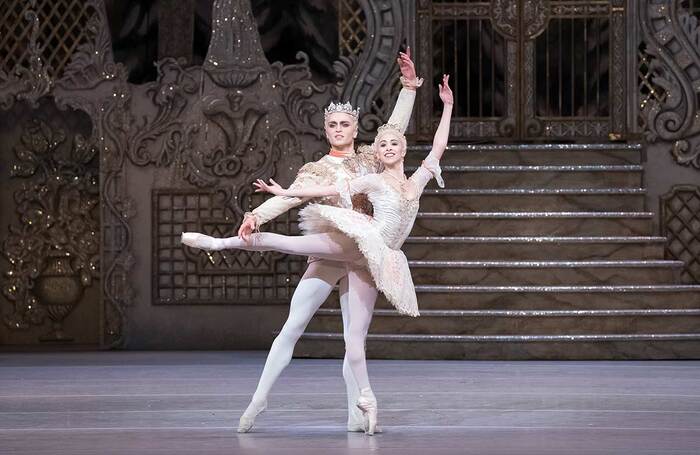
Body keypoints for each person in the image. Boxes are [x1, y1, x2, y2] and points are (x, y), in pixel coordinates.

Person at [182, 75, 454, 435]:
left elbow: (395, 132)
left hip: (364, 253)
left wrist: (409, 88)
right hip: (329, 251)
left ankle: (356, 414)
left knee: (353, 339)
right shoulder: (316, 170)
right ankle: (259, 399)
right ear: (326, 131)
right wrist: (257, 215)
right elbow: (290, 196)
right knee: (294, 325)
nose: (339, 129)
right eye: (333, 125)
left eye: (345, 124)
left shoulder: (369, 161)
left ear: (356, 130)